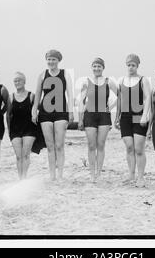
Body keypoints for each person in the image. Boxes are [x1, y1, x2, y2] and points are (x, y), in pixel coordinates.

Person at [32, 50, 74, 181]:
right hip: (45, 113)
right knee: (50, 146)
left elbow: (70, 94)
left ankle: (60, 175)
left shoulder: (65, 74)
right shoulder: (42, 75)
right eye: (49, 59)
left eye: (53, 59)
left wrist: (71, 112)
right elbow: (38, 94)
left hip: (61, 112)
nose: (51, 62)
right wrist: (34, 111)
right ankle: (52, 175)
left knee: (59, 145)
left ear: (58, 60)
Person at [78, 58, 118, 182]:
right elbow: (81, 102)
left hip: (104, 116)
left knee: (100, 145)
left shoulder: (109, 82)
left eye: (99, 66)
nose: (96, 69)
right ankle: (92, 174)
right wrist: (80, 119)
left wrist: (110, 107)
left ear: (103, 68)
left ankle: (99, 173)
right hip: (89, 115)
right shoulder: (86, 82)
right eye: (94, 66)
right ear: (92, 67)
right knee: (91, 145)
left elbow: (120, 97)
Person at [114, 54, 151, 188]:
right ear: (126, 65)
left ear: (137, 66)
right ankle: (131, 175)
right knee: (129, 147)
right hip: (125, 117)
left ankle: (140, 177)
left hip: (139, 116)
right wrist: (117, 117)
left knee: (139, 149)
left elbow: (147, 98)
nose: (131, 67)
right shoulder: (121, 81)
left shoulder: (143, 80)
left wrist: (145, 115)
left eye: (133, 65)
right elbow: (119, 100)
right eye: (129, 65)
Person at [7, 72, 41, 180]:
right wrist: (9, 130)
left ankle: (24, 178)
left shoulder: (31, 96)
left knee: (25, 155)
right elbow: (7, 115)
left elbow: (40, 109)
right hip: (15, 129)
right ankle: (20, 177)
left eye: (19, 80)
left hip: (29, 129)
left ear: (24, 81)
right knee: (18, 156)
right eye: (15, 81)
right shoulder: (11, 97)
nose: (17, 82)